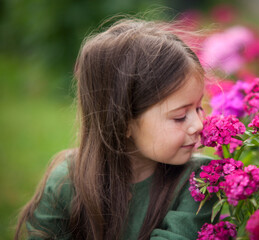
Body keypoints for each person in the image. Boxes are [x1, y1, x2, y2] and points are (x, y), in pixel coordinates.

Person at [15, 18, 216, 240]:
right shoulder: (67, 182)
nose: (199, 124)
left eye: (199, 108)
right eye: (179, 116)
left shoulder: (200, 180)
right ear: (122, 122)